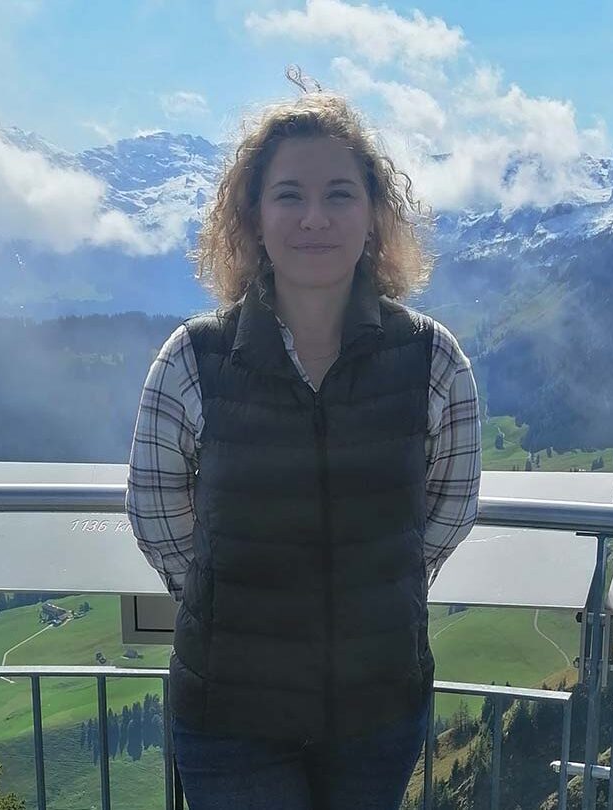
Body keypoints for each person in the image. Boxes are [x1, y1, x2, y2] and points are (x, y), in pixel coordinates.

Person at [125, 72, 481, 810]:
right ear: (252, 218)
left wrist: (378, 591)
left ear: (374, 217)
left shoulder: (433, 360)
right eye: (289, 194)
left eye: (339, 194)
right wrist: (228, 600)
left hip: (377, 708)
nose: (314, 217)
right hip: (231, 715)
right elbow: (154, 511)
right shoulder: (192, 358)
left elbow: (452, 503)